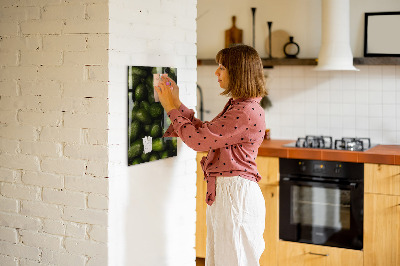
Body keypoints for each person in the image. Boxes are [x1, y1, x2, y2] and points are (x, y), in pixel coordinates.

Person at [155, 44, 267, 266]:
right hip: (230, 195)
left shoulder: (244, 111)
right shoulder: (240, 106)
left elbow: (198, 141)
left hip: (235, 197)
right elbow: (206, 133)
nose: (217, 73)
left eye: (222, 67)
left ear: (238, 72)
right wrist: (176, 103)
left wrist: (170, 108)